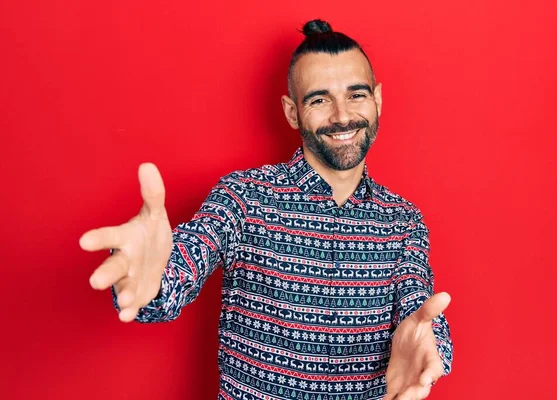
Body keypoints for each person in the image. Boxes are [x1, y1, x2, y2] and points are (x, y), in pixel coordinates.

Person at [80, 19, 453, 400]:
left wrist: (429, 346)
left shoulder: (403, 220)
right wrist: (152, 275)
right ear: (292, 112)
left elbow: (418, 309)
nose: (342, 116)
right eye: (319, 99)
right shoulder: (243, 198)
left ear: (377, 99)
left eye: (356, 95)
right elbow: (180, 267)